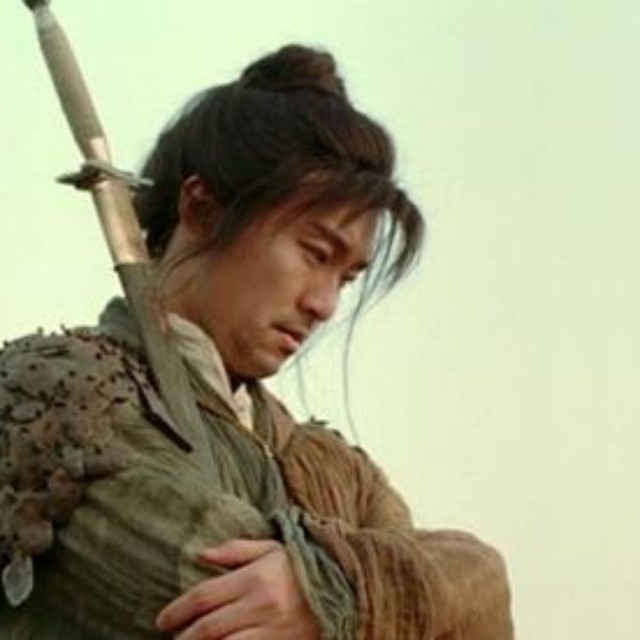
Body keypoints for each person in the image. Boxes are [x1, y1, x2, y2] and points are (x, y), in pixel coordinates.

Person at [0, 45, 514, 639]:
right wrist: (380, 594)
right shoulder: (57, 396)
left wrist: (339, 588)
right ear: (202, 208)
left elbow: (484, 590)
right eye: (315, 254)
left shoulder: (328, 465)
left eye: (346, 278)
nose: (325, 305)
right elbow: (209, 587)